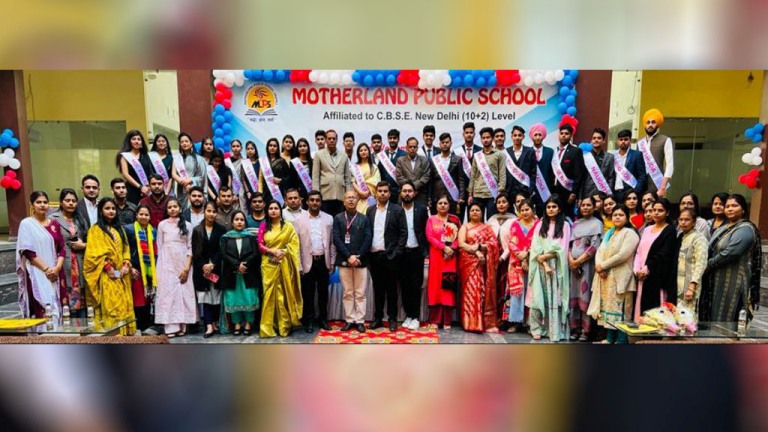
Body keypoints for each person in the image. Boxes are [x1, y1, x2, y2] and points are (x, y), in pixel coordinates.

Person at [700, 194, 762, 325]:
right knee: (711, 317)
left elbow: (730, 253)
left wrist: (708, 264)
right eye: (727, 206)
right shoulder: (723, 228)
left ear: (743, 209)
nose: (730, 209)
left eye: (734, 205)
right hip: (715, 279)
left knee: (727, 318)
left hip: (733, 281)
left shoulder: (745, 229)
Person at [82, 198, 136, 335]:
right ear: (101, 211)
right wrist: (108, 267)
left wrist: (126, 264)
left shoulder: (120, 229)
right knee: (111, 303)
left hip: (122, 274)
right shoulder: (95, 230)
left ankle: (124, 331)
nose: (111, 211)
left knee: (122, 302)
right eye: (107, 208)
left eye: (113, 208)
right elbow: (93, 254)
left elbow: (126, 249)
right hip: (106, 273)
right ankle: (112, 334)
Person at [589, 205, 639, 344]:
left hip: (621, 278)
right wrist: (599, 267)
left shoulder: (630, 233)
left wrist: (603, 266)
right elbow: (599, 251)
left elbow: (622, 255)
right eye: (615, 215)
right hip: (606, 277)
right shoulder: (609, 233)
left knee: (621, 310)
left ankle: (621, 341)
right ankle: (610, 338)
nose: (617, 217)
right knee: (608, 309)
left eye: (621, 215)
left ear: (627, 218)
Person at [16, 191, 67, 320]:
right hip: (37, 271)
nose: (42, 205)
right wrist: (47, 269)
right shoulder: (27, 224)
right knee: (43, 309)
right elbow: (28, 252)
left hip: (56, 271)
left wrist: (57, 268)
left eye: (45, 202)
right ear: (31, 204)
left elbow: (62, 248)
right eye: (38, 202)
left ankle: (58, 332)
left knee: (58, 307)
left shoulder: (54, 224)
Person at [528, 195, 571, 341]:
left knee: (556, 297)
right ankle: (536, 328)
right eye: (548, 207)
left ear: (559, 209)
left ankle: (554, 330)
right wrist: (544, 262)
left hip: (557, 265)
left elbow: (563, 248)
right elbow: (535, 247)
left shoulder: (565, 225)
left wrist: (547, 256)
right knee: (538, 296)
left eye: (554, 207)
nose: (551, 209)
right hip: (541, 265)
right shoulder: (540, 225)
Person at [257, 201, 303, 338]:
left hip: (283, 263)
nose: (273, 211)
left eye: (276, 208)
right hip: (268, 264)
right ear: (267, 211)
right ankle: (268, 327)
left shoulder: (287, 226)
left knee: (283, 294)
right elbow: (260, 245)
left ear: (280, 211)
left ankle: (284, 325)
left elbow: (294, 243)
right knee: (269, 296)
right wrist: (273, 252)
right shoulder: (264, 226)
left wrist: (282, 253)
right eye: (270, 208)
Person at [367, 181, 407, 331]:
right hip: (374, 256)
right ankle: (378, 318)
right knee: (377, 289)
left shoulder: (397, 210)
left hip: (391, 256)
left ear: (390, 194)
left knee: (391, 290)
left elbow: (403, 233)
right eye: (380, 191)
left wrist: (397, 253)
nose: (382, 193)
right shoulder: (370, 210)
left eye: (385, 191)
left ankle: (392, 319)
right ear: (376, 193)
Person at [154, 198, 197, 338]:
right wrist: (161, 266)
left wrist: (186, 268)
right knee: (168, 294)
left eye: (175, 206)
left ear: (180, 208)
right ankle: (170, 328)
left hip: (183, 262)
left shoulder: (188, 225)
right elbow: (160, 246)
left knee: (183, 293)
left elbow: (190, 247)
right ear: (167, 210)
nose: (172, 209)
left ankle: (183, 326)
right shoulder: (162, 225)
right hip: (166, 264)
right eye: (169, 207)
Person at [333, 191, 373, 333]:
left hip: (361, 261)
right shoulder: (338, 218)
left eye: (353, 198)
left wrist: (358, 256)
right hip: (344, 261)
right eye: (348, 198)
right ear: (344, 201)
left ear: (358, 200)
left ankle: (360, 320)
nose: (351, 200)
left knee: (360, 293)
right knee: (348, 292)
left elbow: (368, 238)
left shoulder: (364, 218)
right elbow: (336, 239)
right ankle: (349, 319)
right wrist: (349, 256)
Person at [296, 190, 335, 332]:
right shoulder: (299, 220)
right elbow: (297, 245)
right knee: (308, 293)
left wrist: (332, 261)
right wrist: (299, 265)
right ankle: (309, 320)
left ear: (321, 202)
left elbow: (332, 243)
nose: (314, 202)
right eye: (312, 200)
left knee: (323, 293)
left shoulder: (329, 219)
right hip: (307, 261)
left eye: (317, 200)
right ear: (307, 202)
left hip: (323, 261)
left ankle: (323, 319)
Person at [633, 198, 678, 321]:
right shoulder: (647, 229)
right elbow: (638, 252)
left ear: (667, 213)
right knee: (640, 310)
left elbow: (663, 255)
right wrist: (637, 270)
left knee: (654, 313)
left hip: (655, 276)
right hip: (641, 277)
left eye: (660, 210)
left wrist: (646, 270)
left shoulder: (669, 230)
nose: (656, 213)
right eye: (654, 210)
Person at [458, 202, 500, 333]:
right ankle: (470, 322)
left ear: (482, 213)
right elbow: (461, 244)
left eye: (477, 210)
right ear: (468, 213)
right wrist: (476, 251)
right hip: (468, 263)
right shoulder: (465, 227)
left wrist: (481, 247)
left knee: (482, 292)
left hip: (484, 265)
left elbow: (494, 244)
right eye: (472, 210)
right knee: (471, 291)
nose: (475, 212)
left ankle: (482, 322)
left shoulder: (487, 228)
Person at [568, 197, 603, 342]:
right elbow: (569, 245)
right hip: (573, 267)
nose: (586, 207)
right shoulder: (575, 224)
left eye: (589, 205)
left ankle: (585, 330)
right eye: (583, 205)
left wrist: (579, 261)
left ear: (594, 207)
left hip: (587, 266)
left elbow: (595, 246)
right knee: (573, 294)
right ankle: (574, 328)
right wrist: (571, 260)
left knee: (585, 295)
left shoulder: (597, 224)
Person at [220, 211, 261, 336]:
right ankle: (237, 324)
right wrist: (236, 265)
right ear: (232, 222)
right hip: (232, 274)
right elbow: (223, 254)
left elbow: (255, 253)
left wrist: (244, 265)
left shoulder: (250, 237)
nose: (239, 222)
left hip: (249, 273)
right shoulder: (226, 237)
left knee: (249, 297)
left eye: (242, 220)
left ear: (245, 222)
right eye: (236, 219)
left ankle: (248, 323)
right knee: (233, 299)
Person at [425, 195, 461, 329]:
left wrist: (452, 248)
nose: (443, 205)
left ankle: (447, 321)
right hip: (436, 258)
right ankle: (435, 319)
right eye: (440, 203)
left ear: (449, 205)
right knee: (435, 287)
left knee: (447, 288)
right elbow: (429, 236)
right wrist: (443, 247)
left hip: (450, 258)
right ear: (436, 205)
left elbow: (459, 237)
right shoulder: (431, 219)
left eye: (445, 203)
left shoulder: (455, 219)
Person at [192, 201, 227, 338]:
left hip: (216, 269)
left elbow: (222, 250)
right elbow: (196, 251)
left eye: (214, 211)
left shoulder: (221, 230)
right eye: (209, 211)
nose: (211, 214)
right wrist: (204, 266)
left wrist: (213, 264)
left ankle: (215, 322)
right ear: (204, 212)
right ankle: (208, 326)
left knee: (216, 297)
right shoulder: (197, 230)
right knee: (206, 298)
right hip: (202, 270)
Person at [50, 189, 87, 317]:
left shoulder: (80, 219)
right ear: (61, 202)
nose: (71, 203)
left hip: (79, 261)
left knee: (81, 296)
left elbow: (89, 239)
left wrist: (83, 245)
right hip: (62, 262)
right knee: (66, 295)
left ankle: (82, 324)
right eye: (67, 200)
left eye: (73, 201)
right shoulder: (53, 219)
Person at [398, 181, 429, 330]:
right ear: (400, 193)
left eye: (410, 191)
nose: (407, 194)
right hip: (402, 253)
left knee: (416, 285)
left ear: (414, 193)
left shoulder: (422, 209)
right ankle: (408, 315)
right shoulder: (396, 209)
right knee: (404, 286)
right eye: (404, 191)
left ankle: (416, 317)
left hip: (417, 252)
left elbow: (426, 231)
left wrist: (426, 252)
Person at [503, 198, 537, 332]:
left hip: (533, 261)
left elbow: (538, 242)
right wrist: (521, 256)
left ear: (533, 209)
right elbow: (511, 243)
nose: (525, 212)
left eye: (527, 209)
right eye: (522, 210)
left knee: (531, 292)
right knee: (516, 292)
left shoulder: (538, 225)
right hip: (516, 263)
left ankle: (529, 323)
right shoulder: (515, 224)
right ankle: (515, 322)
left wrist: (527, 256)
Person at [124, 205, 157, 332]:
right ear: (136, 215)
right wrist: (130, 267)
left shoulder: (153, 231)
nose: (144, 217)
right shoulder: (129, 229)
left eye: (146, 215)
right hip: (135, 270)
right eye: (141, 214)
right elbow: (124, 250)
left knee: (148, 299)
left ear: (150, 217)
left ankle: (146, 327)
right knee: (138, 300)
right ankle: (136, 327)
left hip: (149, 271)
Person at [487, 195, 516, 325]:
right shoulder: (491, 219)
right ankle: (494, 317)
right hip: (492, 258)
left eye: (504, 202)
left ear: (509, 204)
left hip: (508, 258)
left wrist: (503, 257)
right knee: (494, 286)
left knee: (506, 287)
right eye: (499, 202)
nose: (501, 204)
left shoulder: (514, 220)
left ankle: (506, 319)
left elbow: (514, 241)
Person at [468, 127, 507, 220]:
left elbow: (502, 174)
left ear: (492, 138)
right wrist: (470, 194)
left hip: (492, 194)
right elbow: (473, 175)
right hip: (477, 193)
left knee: (491, 220)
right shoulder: (477, 156)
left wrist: (500, 191)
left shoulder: (500, 154)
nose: (485, 140)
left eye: (488, 137)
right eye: (483, 138)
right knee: (477, 221)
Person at [676, 208, 708, 319]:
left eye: (687, 220)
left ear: (694, 222)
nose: (683, 222)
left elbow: (701, 264)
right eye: (681, 219)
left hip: (690, 285)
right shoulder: (680, 237)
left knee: (688, 318)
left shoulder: (699, 239)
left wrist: (692, 286)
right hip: (678, 284)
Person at [312, 129, 351, 216]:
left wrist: (349, 196)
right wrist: (316, 196)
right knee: (325, 222)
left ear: (337, 140)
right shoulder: (319, 155)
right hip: (325, 195)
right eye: (329, 138)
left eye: (334, 138)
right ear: (326, 140)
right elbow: (315, 177)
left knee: (340, 222)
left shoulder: (344, 155)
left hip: (340, 196)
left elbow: (347, 179)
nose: (332, 140)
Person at [637, 108, 674, 197]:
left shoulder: (665, 140)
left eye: (653, 122)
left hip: (657, 183)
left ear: (657, 124)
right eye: (648, 122)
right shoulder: (640, 143)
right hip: (641, 183)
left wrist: (662, 188)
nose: (650, 125)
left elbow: (670, 165)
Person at [550, 124, 585, 216]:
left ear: (570, 136)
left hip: (567, 191)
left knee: (566, 216)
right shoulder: (554, 151)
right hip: (553, 190)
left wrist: (574, 193)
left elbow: (579, 174)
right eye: (561, 133)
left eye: (566, 133)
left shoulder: (576, 151)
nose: (563, 135)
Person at [429, 132, 466, 215]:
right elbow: (431, 180)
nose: (445, 144)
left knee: (452, 220)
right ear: (439, 144)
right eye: (443, 142)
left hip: (453, 197)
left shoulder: (458, 159)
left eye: (447, 142)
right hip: (437, 197)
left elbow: (461, 179)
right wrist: (429, 198)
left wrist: (461, 196)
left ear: (451, 143)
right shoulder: (434, 160)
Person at [116, 130, 154, 205]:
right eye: (134, 139)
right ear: (129, 141)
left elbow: (151, 172)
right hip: (132, 189)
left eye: (139, 139)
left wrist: (147, 187)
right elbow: (125, 174)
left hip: (147, 190)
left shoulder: (146, 155)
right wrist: (140, 187)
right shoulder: (125, 156)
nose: (136, 141)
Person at [174, 132, 208, 210]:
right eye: (182, 142)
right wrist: (184, 183)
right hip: (182, 190)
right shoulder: (177, 158)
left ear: (191, 143)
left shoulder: (199, 159)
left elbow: (202, 177)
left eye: (186, 141)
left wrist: (190, 180)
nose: (184, 143)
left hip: (195, 189)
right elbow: (174, 174)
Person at [580, 128, 616, 200]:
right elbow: (581, 179)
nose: (596, 140)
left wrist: (609, 195)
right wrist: (580, 197)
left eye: (599, 138)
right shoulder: (585, 157)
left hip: (604, 195)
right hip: (587, 195)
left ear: (604, 141)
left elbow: (611, 178)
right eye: (594, 138)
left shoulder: (610, 157)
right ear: (591, 141)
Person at [396, 137, 431, 206]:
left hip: (420, 195)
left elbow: (426, 176)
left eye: (414, 147)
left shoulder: (424, 160)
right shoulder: (400, 160)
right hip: (404, 195)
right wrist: (410, 188)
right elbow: (399, 177)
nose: (412, 149)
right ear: (406, 148)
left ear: (417, 148)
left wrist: (414, 187)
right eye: (410, 147)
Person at [612, 129, 646, 202]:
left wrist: (636, 191)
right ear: (617, 141)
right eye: (621, 139)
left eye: (626, 139)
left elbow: (642, 176)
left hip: (630, 194)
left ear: (630, 141)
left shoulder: (637, 155)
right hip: (615, 193)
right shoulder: (612, 156)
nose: (623, 141)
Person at [504, 126, 536, 202]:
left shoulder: (530, 151)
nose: (517, 137)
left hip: (525, 191)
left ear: (523, 137)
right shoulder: (506, 152)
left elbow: (533, 173)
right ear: (511, 137)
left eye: (519, 135)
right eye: (515, 135)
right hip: (509, 191)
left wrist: (530, 190)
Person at [529, 123, 554, 217]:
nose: (537, 137)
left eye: (540, 135)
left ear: (543, 136)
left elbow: (552, 172)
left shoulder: (550, 151)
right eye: (535, 135)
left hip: (546, 190)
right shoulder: (527, 151)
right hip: (531, 190)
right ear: (532, 136)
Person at [350, 142, 381, 213]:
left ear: (369, 151)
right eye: (361, 150)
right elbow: (352, 181)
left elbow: (376, 181)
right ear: (358, 153)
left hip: (370, 198)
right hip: (358, 198)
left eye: (365, 150)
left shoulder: (374, 167)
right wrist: (360, 192)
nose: (363, 152)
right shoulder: (354, 167)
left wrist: (367, 191)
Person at [378, 129, 406, 204]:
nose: (392, 140)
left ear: (398, 139)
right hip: (385, 192)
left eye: (394, 138)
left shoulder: (404, 154)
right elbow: (380, 173)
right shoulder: (383, 155)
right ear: (388, 139)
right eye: (390, 138)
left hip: (399, 191)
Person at [261, 137, 293, 205]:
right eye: (270, 145)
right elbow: (260, 179)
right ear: (267, 147)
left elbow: (289, 177)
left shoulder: (282, 161)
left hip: (278, 192)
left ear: (278, 148)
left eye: (275, 146)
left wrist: (281, 180)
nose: (272, 147)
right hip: (265, 192)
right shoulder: (263, 161)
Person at [291, 137, 314, 204]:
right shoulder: (294, 162)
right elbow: (292, 180)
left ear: (308, 147)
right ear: (297, 148)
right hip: (299, 193)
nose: (302, 148)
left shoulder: (313, 162)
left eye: (304, 146)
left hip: (311, 192)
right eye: (300, 146)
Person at [240, 141, 262, 205]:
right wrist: (247, 192)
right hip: (249, 191)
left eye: (252, 148)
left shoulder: (260, 162)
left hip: (261, 190)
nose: (250, 150)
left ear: (255, 150)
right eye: (248, 149)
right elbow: (243, 179)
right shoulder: (244, 163)